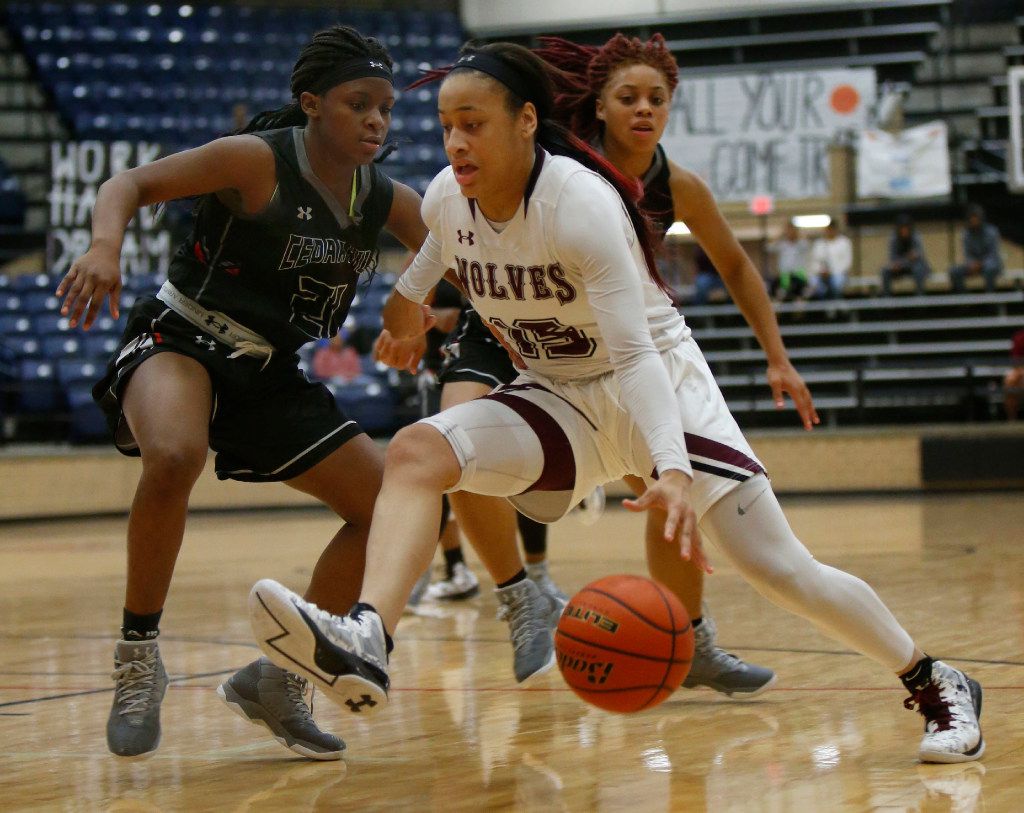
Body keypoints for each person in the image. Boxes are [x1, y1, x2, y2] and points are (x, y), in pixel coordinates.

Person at [247, 41, 984, 764]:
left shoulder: (581, 204)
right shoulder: (448, 195)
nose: (456, 141)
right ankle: (370, 637)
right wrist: (405, 311)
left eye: (473, 122)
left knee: (777, 567)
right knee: (415, 451)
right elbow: (434, 254)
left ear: (526, 121)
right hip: (560, 393)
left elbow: (634, 356)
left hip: (658, 385)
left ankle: (934, 678)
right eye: (446, 126)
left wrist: (667, 468)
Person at [55, 26, 427, 760]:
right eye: (360, 104)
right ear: (312, 104)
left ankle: (279, 676)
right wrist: (104, 245)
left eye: (386, 108)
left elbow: (459, 250)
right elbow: (127, 185)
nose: (377, 120)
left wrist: (429, 308)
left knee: (383, 505)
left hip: (268, 368)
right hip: (183, 334)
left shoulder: (382, 196)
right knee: (173, 454)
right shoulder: (256, 162)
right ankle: (137, 657)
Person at [536, 31, 773, 694]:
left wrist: (777, 358)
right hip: (551, 339)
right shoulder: (563, 166)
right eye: (629, 96)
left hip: (629, 350)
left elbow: (735, 264)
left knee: (669, 487)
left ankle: (688, 637)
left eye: (657, 98)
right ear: (602, 106)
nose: (644, 108)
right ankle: (523, 589)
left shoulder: (676, 184)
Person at [949, 204, 1003, 293]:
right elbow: (967, 254)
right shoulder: (966, 234)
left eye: (976, 219)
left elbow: (994, 254)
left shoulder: (992, 232)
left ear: (981, 219)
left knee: (990, 269)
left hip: (990, 265)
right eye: (971, 220)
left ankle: (990, 299)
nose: (974, 222)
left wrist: (981, 264)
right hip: (972, 265)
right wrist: (972, 264)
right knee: (954, 271)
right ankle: (964, 301)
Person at [881, 214, 930, 296]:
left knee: (918, 269)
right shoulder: (893, 238)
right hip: (900, 268)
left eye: (906, 228)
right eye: (902, 229)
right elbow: (892, 258)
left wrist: (904, 260)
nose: (904, 231)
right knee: (885, 271)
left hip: (915, 266)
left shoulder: (916, 236)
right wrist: (898, 263)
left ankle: (920, 299)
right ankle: (887, 300)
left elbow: (919, 255)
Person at [768, 220, 810, 302]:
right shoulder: (782, 244)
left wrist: (799, 234)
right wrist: (780, 235)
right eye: (788, 230)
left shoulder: (801, 244)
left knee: (802, 293)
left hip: (798, 276)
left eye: (792, 230)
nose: (790, 233)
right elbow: (768, 248)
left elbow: (807, 244)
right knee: (777, 290)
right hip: (785, 275)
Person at [810, 220, 851, 299]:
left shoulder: (844, 242)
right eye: (828, 230)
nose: (830, 232)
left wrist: (831, 272)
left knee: (836, 283)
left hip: (838, 274)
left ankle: (835, 306)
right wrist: (821, 271)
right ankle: (822, 307)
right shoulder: (819, 243)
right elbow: (814, 262)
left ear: (836, 230)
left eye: (832, 229)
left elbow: (847, 263)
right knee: (814, 284)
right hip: (821, 274)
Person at [1004, 329, 1024, 421]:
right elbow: (1016, 361)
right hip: (1021, 369)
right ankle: (1012, 419)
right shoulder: (1020, 337)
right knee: (1010, 380)